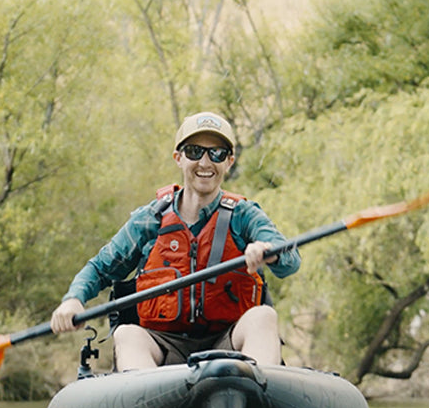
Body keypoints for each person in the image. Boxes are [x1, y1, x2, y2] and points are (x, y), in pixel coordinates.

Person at [50, 111, 301, 370]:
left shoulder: (244, 215)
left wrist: (269, 251)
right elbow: (100, 269)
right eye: (194, 151)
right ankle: (148, 400)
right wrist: (73, 299)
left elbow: (290, 262)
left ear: (229, 162)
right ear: (178, 158)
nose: (205, 162)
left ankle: (254, 392)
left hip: (227, 343)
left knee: (263, 316)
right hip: (163, 346)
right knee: (127, 334)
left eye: (217, 153)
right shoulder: (149, 220)